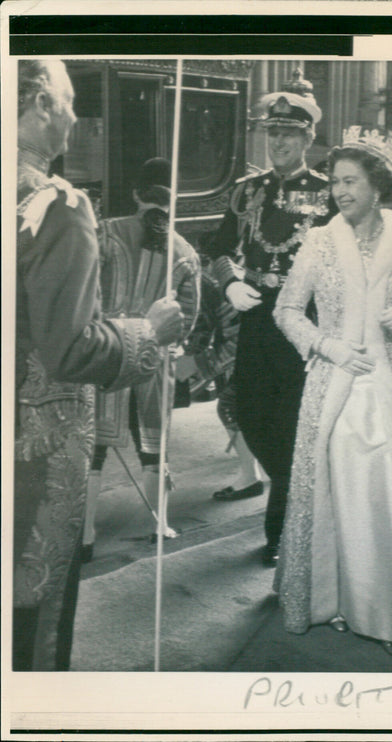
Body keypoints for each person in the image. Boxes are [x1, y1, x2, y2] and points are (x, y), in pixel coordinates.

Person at [14, 59, 183, 669]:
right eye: (68, 99)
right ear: (38, 104)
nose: (75, 115)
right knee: (32, 618)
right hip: (33, 453)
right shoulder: (55, 205)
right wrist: (147, 331)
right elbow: (71, 348)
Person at [273, 127, 392, 658]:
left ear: (378, 186)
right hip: (331, 384)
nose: (339, 191)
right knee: (332, 491)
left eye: (351, 181)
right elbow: (286, 311)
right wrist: (327, 347)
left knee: (382, 496)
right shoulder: (317, 242)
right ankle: (327, 601)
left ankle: (385, 615)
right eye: (335, 181)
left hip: (388, 387)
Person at [207, 73, 336, 566]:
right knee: (254, 418)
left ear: (307, 139)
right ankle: (290, 491)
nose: (278, 141)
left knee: (295, 424)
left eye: (288, 134)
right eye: (272, 133)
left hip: (304, 323)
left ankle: (280, 533)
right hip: (258, 318)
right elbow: (219, 248)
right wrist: (229, 281)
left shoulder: (326, 195)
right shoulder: (247, 191)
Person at [81, 158, 201, 561]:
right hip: (156, 359)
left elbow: (87, 295)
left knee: (95, 447)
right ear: (174, 198)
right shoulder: (186, 251)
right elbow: (187, 316)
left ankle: (85, 535)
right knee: (155, 447)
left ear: (136, 194)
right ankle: (159, 525)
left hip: (111, 350)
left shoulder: (107, 233)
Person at [177, 250, 266, 501]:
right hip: (256, 345)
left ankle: (251, 478)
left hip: (256, 348)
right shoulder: (205, 279)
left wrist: (197, 364)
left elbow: (231, 341)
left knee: (230, 405)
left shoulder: (206, 285)